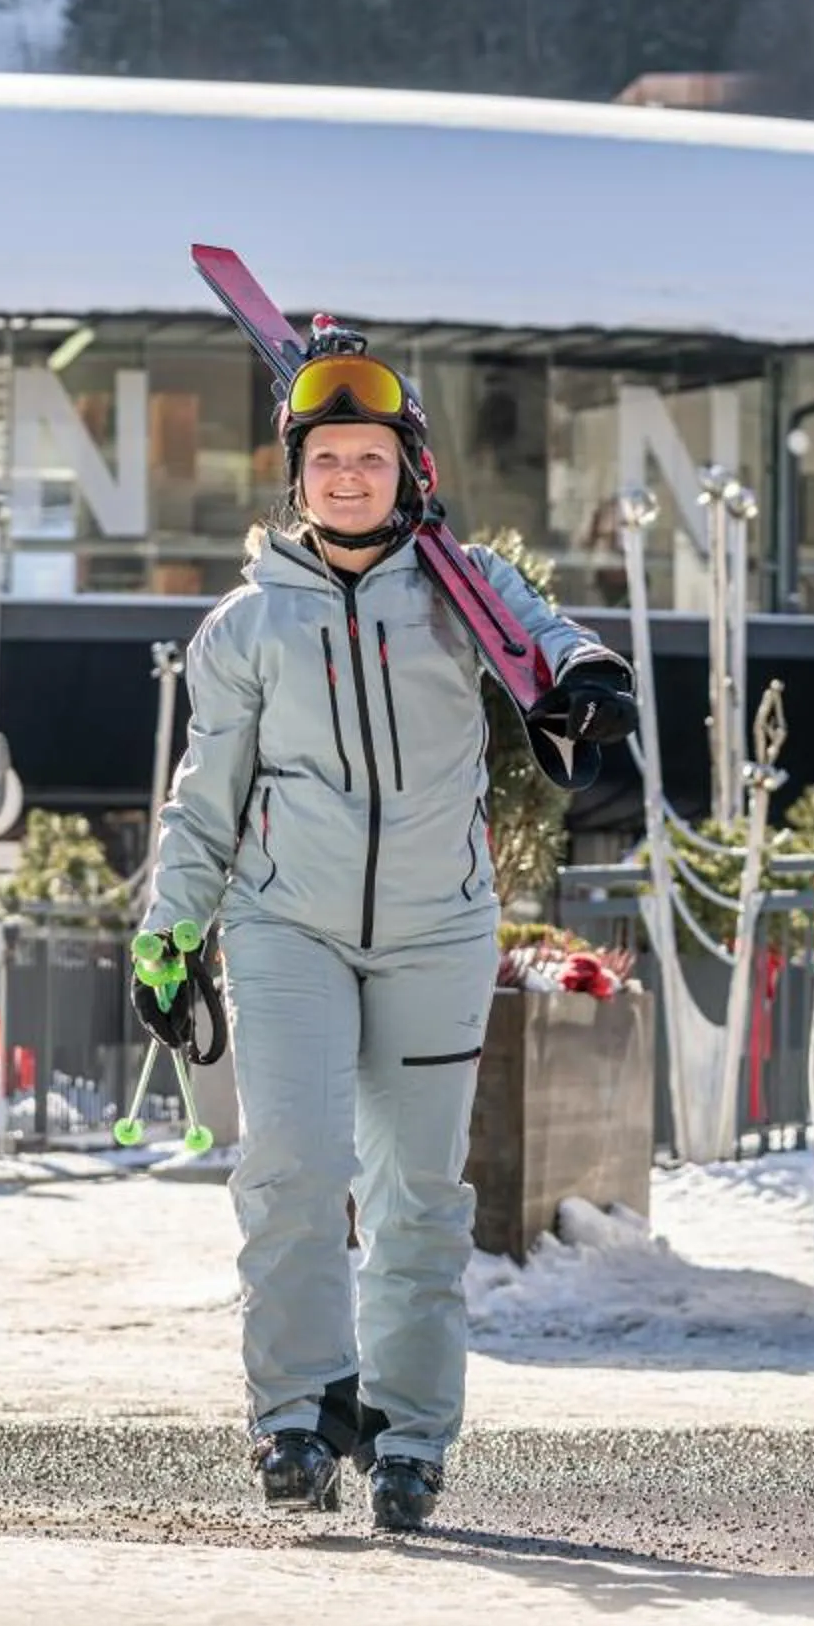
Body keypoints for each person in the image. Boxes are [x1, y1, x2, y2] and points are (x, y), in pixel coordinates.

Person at [135, 332, 636, 1532]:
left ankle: (410, 1437)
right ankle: (297, 1412)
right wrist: (170, 933)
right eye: (326, 459)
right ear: (295, 475)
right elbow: (204, 799)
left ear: (408, 470)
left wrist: (587, 678)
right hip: (285, 927)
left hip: (434, 933)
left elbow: (552, 642)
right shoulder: (249, 626)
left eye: (369, 456)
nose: (347, 478)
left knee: (417, 1194)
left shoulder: (462, 591)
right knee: (292, 1171)